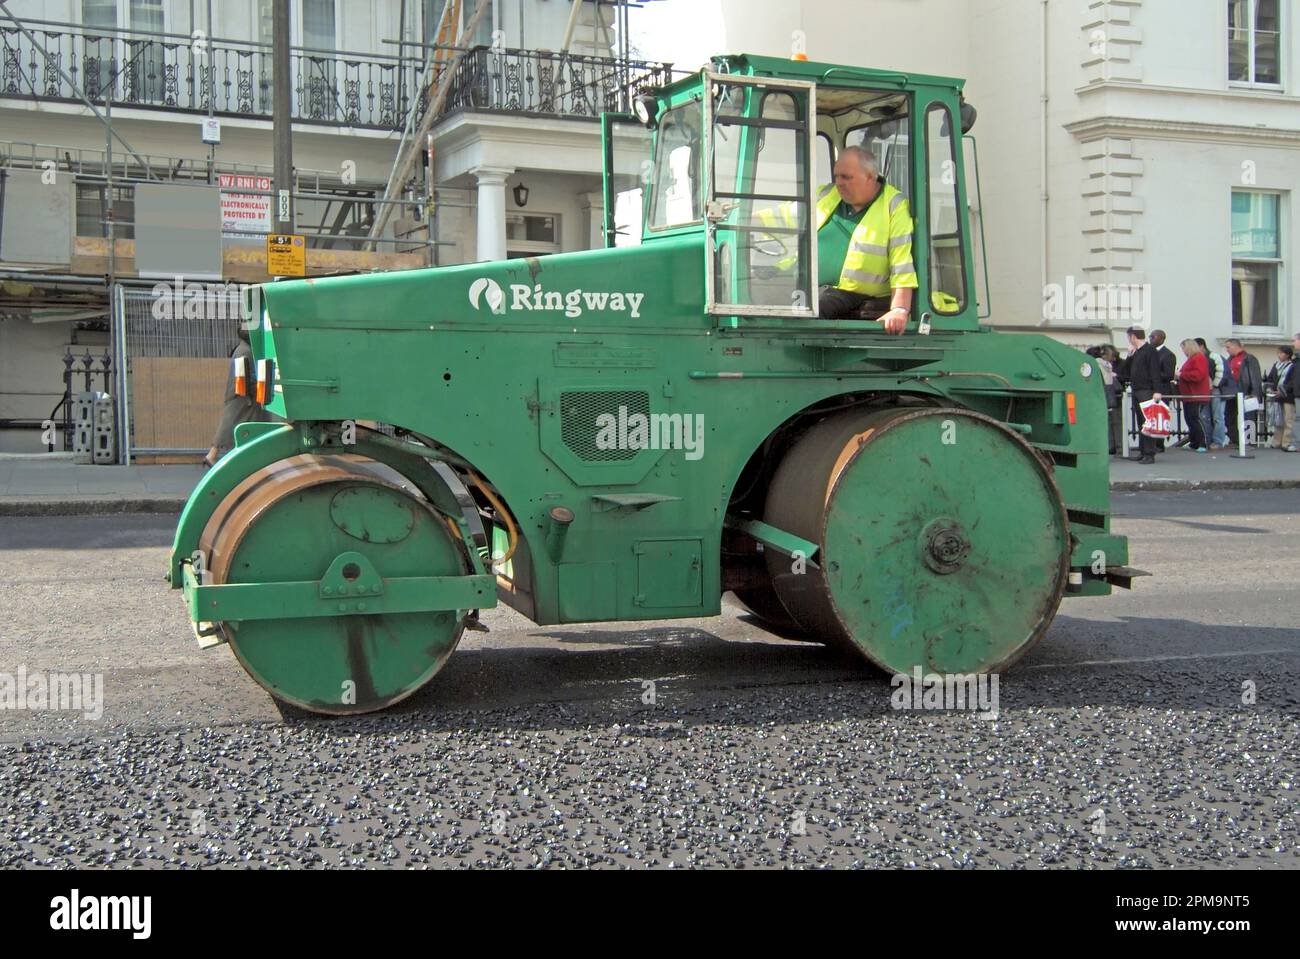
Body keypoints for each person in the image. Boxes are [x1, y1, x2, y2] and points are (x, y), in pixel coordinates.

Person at [786, 145, 916, 329]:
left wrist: (900, 308)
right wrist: (742, 215)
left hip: (853, 292)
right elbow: (784, 215)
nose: (838, 182)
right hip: (810, 284)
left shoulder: (894, 206)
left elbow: (901, 261)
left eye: (846, 177)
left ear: (870, 177)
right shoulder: (826, 194)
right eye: (836, 176)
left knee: (812, 308)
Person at [204, 326, 272, 469]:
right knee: (237, 429)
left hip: (239, 397)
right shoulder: (246, 351)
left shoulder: (242, 349)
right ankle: (217, 457)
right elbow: (246, 378)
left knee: (229, 426)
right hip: (243, 399)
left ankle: (213, 456)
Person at [1124, 326, 1163, 464]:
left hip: (1146, 390)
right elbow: (1126, 370)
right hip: (1137, 389)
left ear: (1133, 336)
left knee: (1147, 422)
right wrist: (1129, 356)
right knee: (1141, 422)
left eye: (1129, 337)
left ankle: (1149, 453)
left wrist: (1157, 390)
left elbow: (1155, 371)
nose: (1128, 340)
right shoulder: (1136, 352)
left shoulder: (1150, 351)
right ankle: (1143, 451)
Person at [1224, 338, 1264, 448]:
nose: (1227, 350)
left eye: (1228, 347)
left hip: (1246, 392)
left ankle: (1249, 441)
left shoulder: (1248, 359)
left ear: (1236, 346)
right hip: (1232, 393)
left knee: (1248, 417)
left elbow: (1255, 377)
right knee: (1230, 417)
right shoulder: (1229, 359)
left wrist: (1254, 392)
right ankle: (1235, 440)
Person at [1176, 338, 1211, 453]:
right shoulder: (1192, 359)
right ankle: (1194, 442)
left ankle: (1203, 443)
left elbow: (1198, 375)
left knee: (1196, 419)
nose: (1183, 352)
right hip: (1189, 395)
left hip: (1196, 394)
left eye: (1184, 349)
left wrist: (1181, 374)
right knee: (1189, 419)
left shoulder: (1199, 358)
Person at [1195, 336, 1229, 449]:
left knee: (1217, 416)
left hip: (1215, 389)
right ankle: (1208, 439)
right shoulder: (1200, 357)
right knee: (1205, 416)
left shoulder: (1214, 356)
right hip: (1207, 389)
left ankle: (1218, 441)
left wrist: (1214, 385)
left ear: (1201, 346)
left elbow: (1221, 372)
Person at [1264, 344, 1296, 452]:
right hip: (1277, 395)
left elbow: (1293, 382)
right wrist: (1270, 388)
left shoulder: (1292, 366)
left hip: (1288, 396)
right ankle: (1276, 441)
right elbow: (1271, 378)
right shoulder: (1276, 365)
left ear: (1287, 355)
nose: (1279, 355)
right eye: (1278, 353)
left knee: (1288, 419)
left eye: (1281, 353)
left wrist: (1283, 390)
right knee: (1279, 419)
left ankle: (1286, 442)